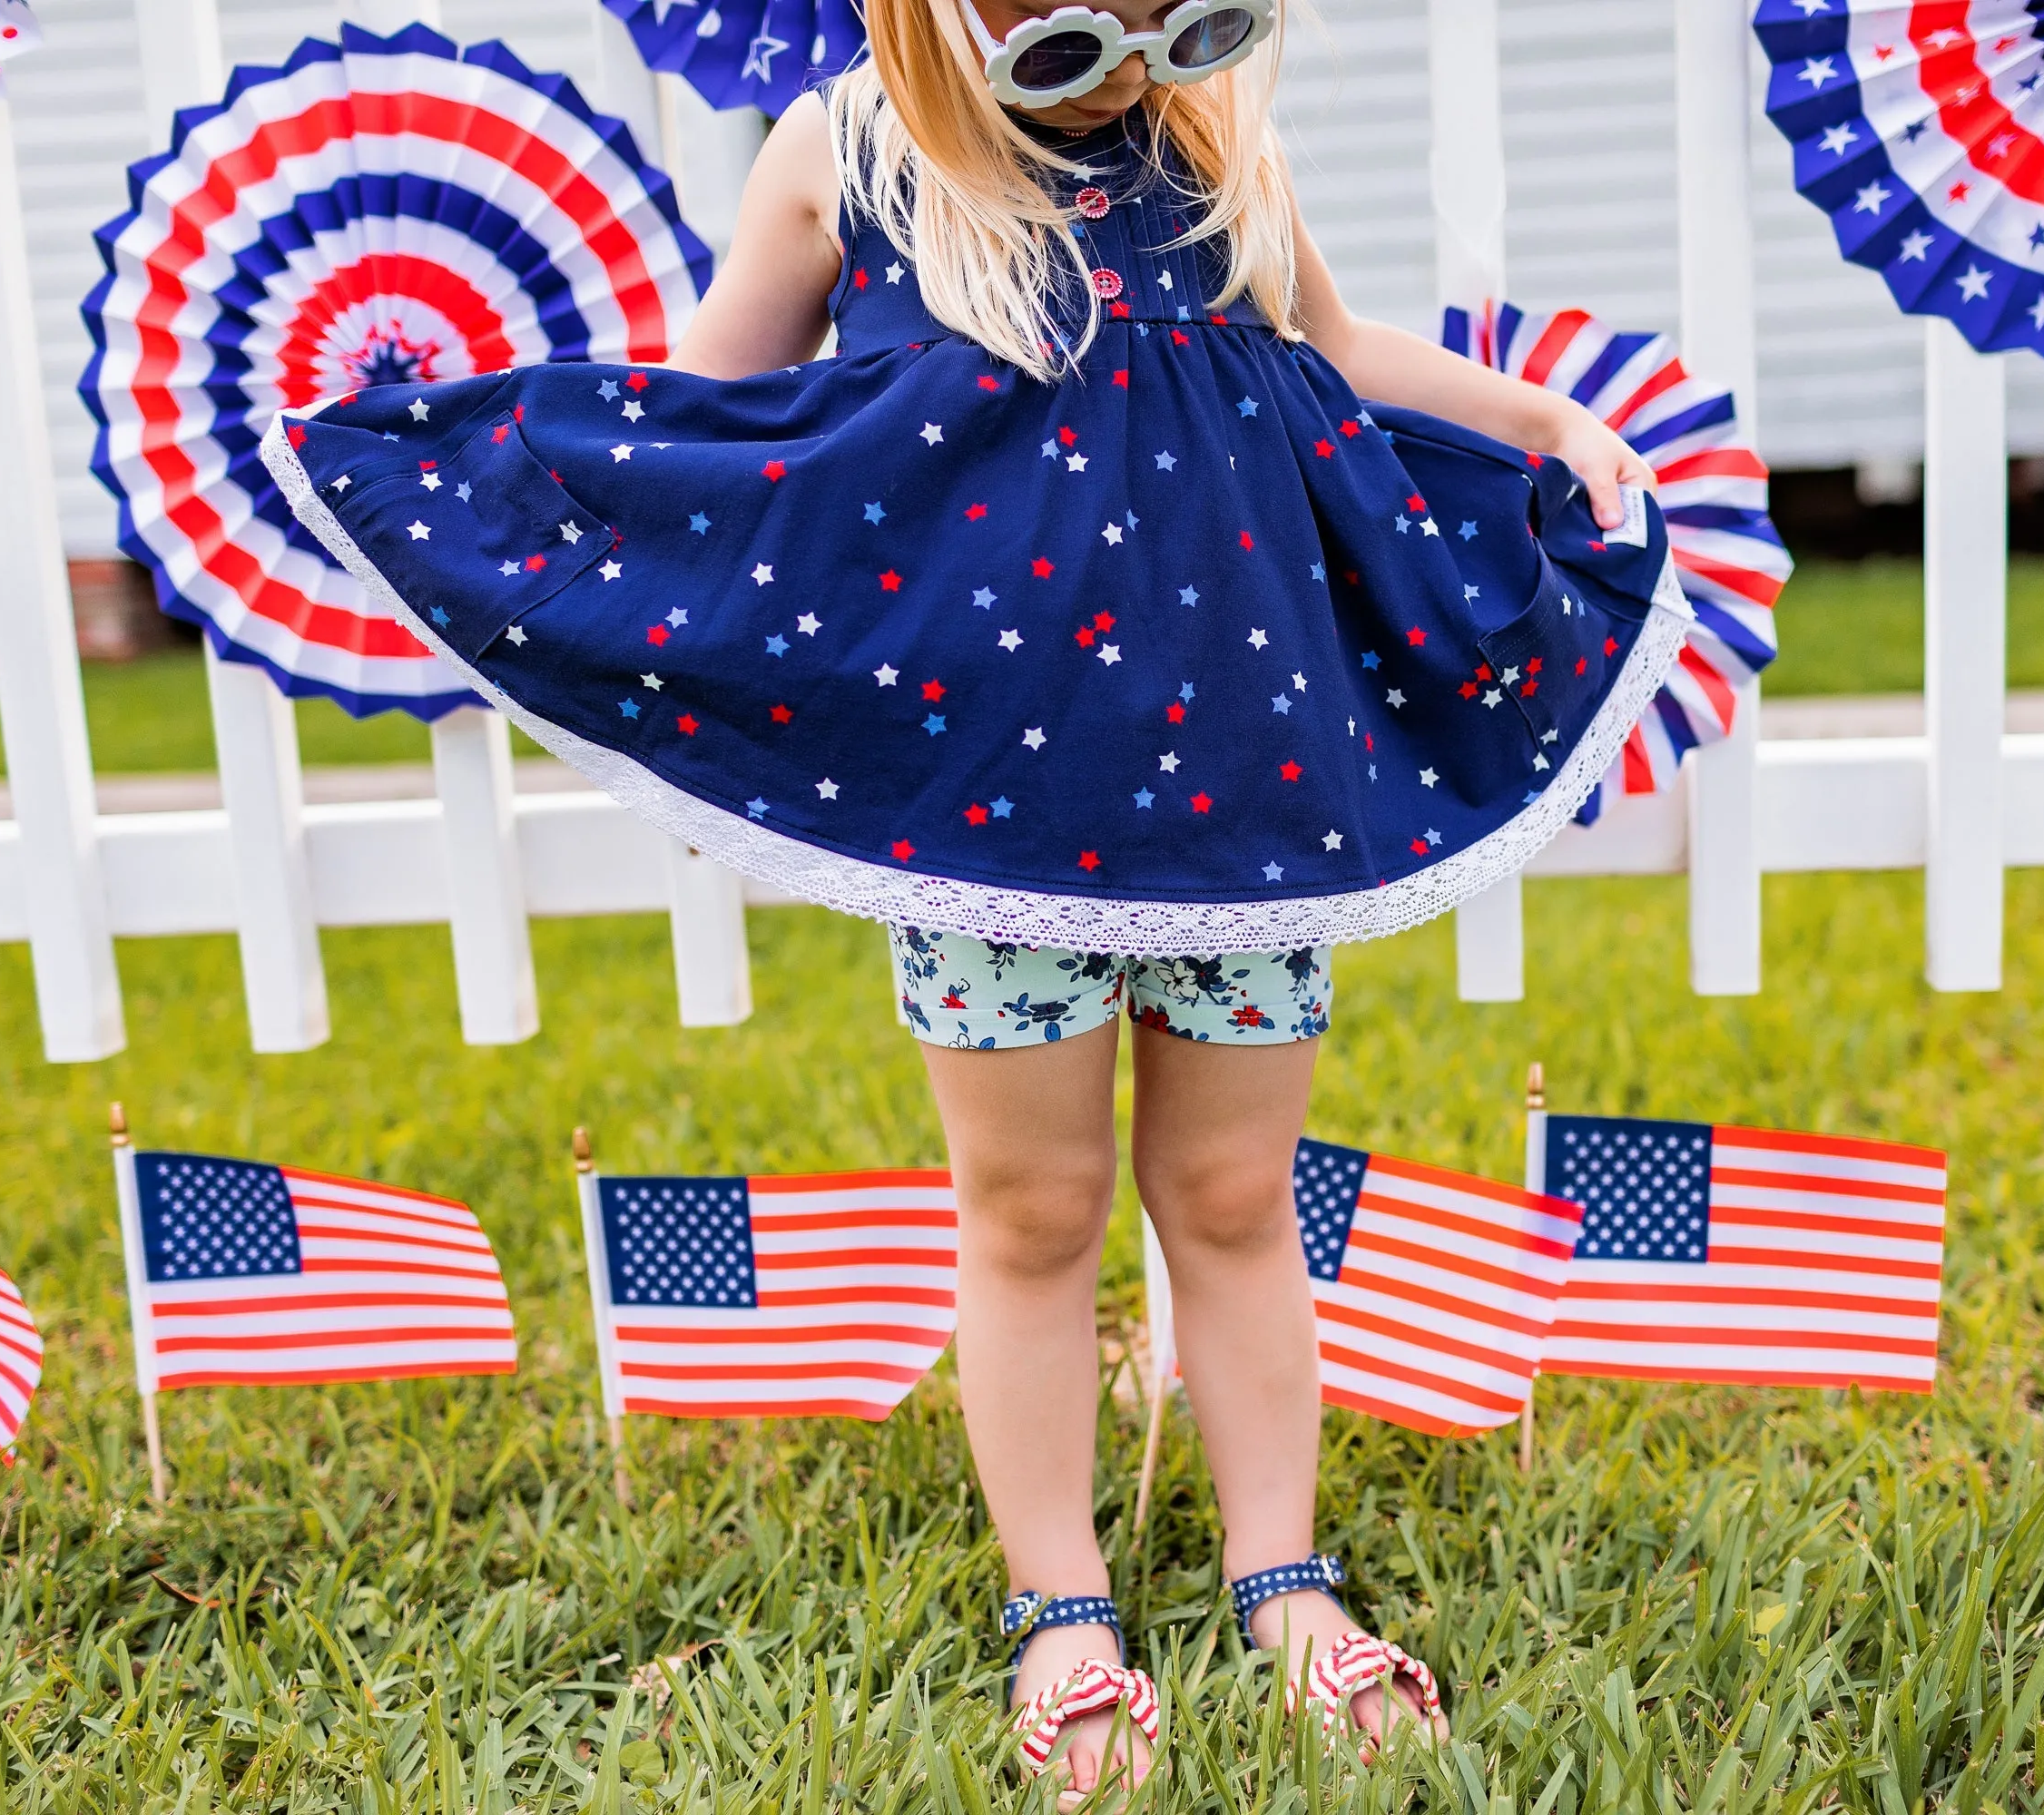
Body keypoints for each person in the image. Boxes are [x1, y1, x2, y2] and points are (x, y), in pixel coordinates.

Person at [267, 0, 1685, 1796]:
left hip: (1242, 803)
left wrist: (1544, 418)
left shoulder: (1213, 134)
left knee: (1239, 1188)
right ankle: (1062, 1600)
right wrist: (551, 501)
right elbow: (724, 424)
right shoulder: (849, 150)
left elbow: (1334, 352)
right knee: (1031, 1202)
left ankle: (1285, 1577)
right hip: (988, 815)